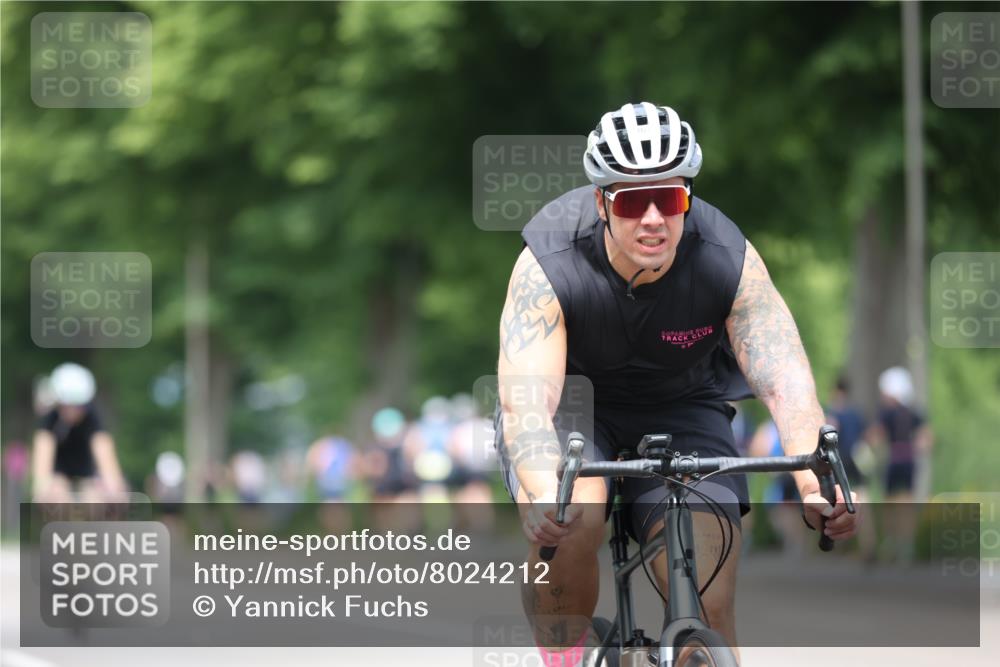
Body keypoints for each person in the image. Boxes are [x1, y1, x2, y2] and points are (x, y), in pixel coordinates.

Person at [494, 102, 858, 665]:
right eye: (633, 201)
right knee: (573, 516)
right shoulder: (549, 261)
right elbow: (528, 402)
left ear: (687, 198)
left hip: (681, 407)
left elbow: (784, 376)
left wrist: (813, 478)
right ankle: (565, 651)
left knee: (712, 606)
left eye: (670, 199)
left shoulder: (726, 257)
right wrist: (544, 487)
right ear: (601, 202)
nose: (653, 219)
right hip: (573, 406)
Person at [32, 363, 127, 503]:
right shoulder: (50, 419)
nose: (72, 411)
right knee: (56, 495)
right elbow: (43, 455)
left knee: (94, 498)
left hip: (87, 472)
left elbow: (105, 455)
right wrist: (41, 488)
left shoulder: (93, 418)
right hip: (59, 472)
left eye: (77, 406)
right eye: (66, 405)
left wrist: (115, 489)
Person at [867, 366, 933, 563]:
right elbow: (927, 438)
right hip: (909, 460)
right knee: (906, 502)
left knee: (890, 503)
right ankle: (906, 545)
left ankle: (892, 542)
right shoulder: (914, 412)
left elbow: (875, 436)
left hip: (894, 461)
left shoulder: (887, 412)